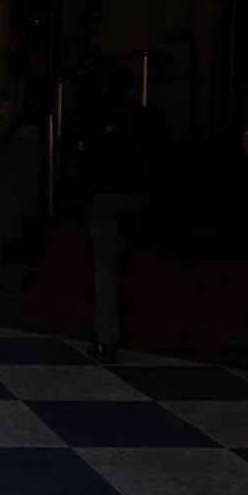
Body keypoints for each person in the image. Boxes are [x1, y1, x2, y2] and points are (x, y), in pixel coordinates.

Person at [79, 68, 162, 364]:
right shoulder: (144, 117)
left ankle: (107, 339)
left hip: (104, 198)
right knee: (118, 263)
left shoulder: (95, 116)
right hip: (136, 196)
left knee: (105, 268)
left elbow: (81, 154)